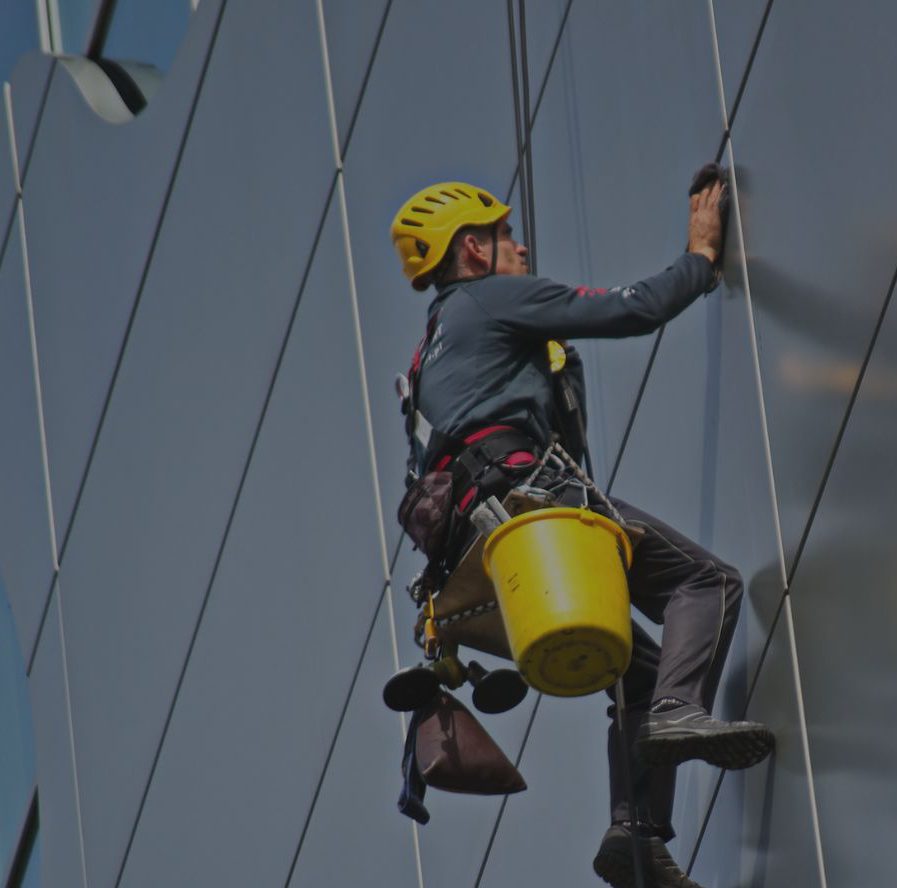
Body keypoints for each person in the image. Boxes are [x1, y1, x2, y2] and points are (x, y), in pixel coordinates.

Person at [389, 179, 774, 888]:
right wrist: (699, 256)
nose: (522, 245)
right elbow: (637, 309)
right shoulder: (488, 299)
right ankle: (678, 714)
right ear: (472, 249)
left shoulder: (426, 357)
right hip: (529, 514)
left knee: (645, 666)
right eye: (506, 236)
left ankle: (633, 835)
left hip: (479, 567)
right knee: (705, 583)